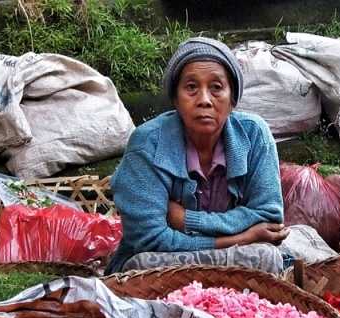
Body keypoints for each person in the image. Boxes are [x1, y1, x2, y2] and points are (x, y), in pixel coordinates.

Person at [107, 37, 291, 274]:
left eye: (216, 88)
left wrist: (185, 220)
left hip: (238, 260)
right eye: (191, 87)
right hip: (161, 266)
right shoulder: (147, 144)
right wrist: (242, 238)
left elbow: (269, 216)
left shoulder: (254, 134)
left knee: (266, 256)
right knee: (142, 266)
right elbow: (149, 240)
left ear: (233, 99)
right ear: (175, 99)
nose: (204, 100)